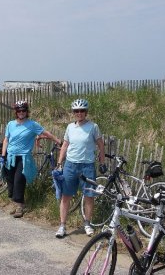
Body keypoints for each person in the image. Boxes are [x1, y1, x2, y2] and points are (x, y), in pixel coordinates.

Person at [54, 98, 107, 238]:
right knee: (66, 196)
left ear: (86, 112)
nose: (79, 113)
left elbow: (101, 145)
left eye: (82, 110)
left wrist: (102, 162)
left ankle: (87, 224)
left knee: (89, 196)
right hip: (70, 165)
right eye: (76, 111)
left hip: (87, 166)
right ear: (73, 113)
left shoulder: (93, 127)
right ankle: (62, 225)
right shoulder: (70, 127)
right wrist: (59, 163)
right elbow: (65, 145)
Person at [0, 100, 61, 218]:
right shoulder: (10, 124)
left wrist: (58, 141)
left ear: (27, 112)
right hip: (10, 156)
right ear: (16, 112)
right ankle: (16, 202)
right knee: (11, 181)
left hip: (23, 157)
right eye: (19, 110)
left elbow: (45, 133)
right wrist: (3, 156)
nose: (21, 112)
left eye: (23, 110)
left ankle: (20, 206)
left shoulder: (32, 124)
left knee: (19, 180)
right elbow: (6, 140)